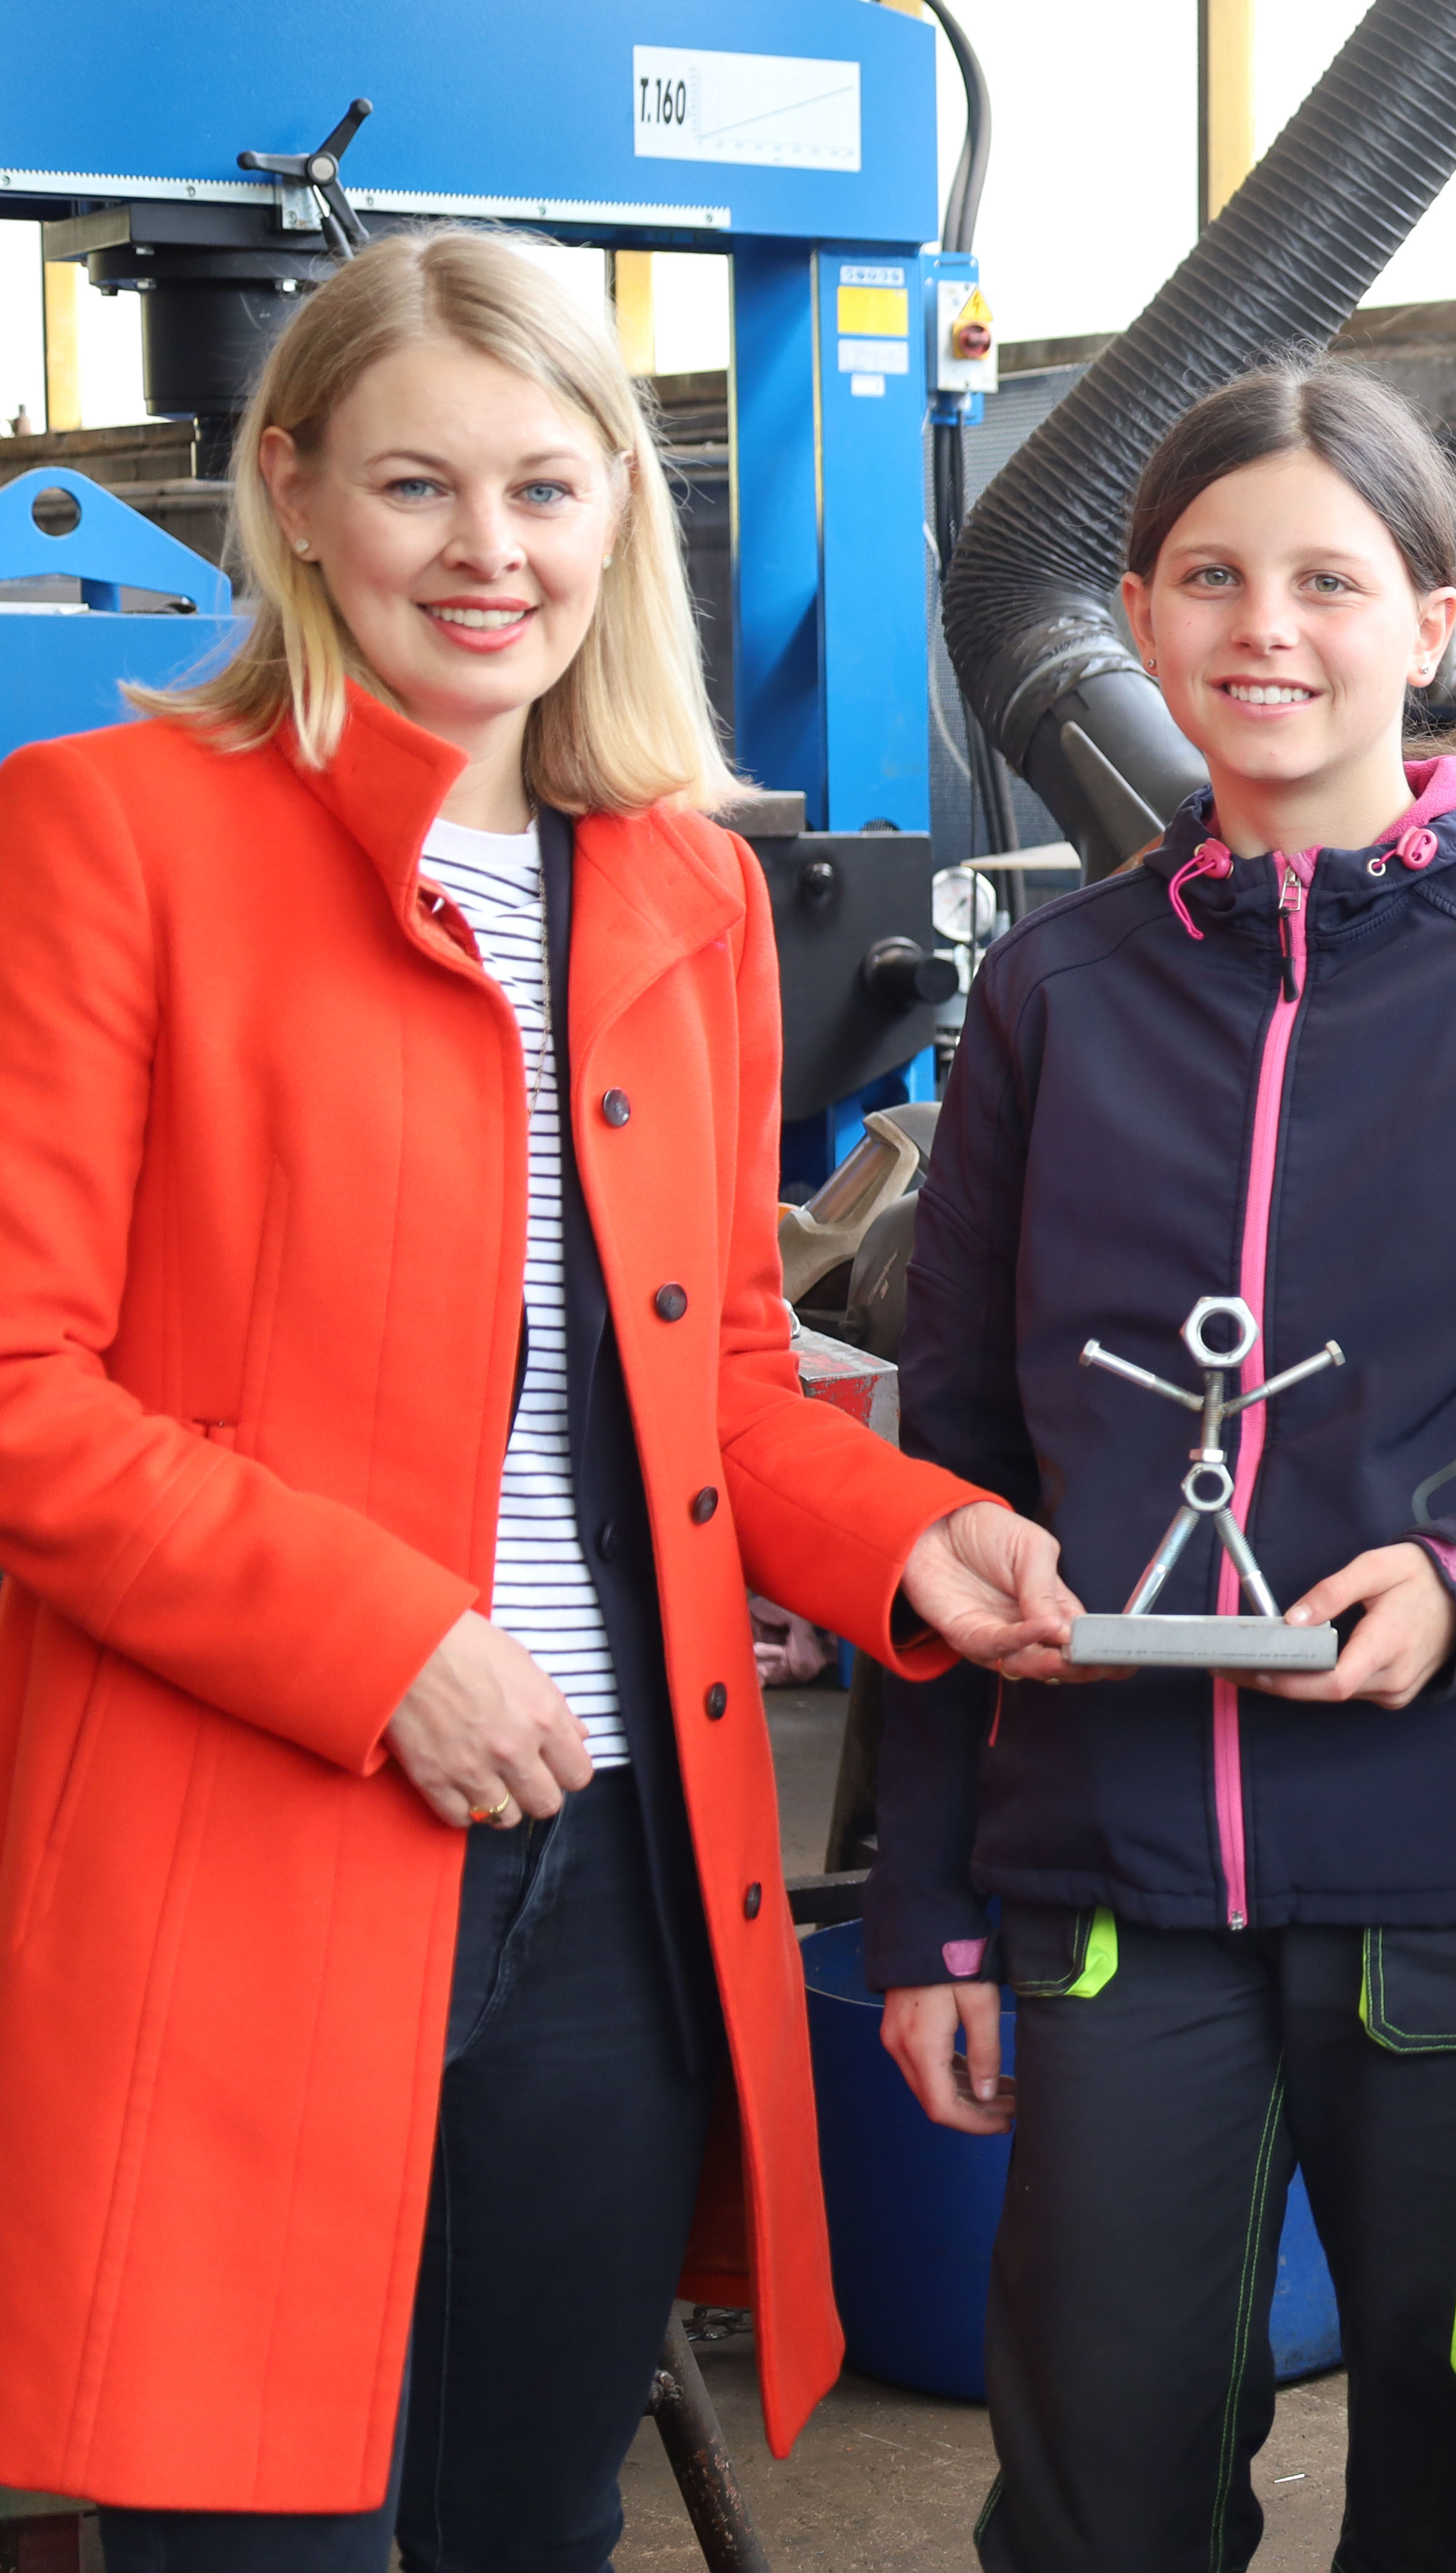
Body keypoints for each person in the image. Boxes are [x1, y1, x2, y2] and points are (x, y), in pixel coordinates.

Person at [0, 230, 1078, 2567]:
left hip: (612, 1871)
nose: (489, 555)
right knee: (254, 2530)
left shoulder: (674, 889)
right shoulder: (114, 843)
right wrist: (378, 1643)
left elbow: (721, 1387)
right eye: (414, 486)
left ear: (622, 505)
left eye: (545, 486)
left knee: (532, 2513)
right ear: (290, 495)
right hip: (251, 1841)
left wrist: (907, 1533)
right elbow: (22, 1390)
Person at [868, 363, 1456, 2573]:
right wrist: (926, 1907)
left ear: (1435, 622)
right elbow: (951, 1475)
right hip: (1112, 1888)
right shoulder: (1056, 1001)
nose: (1265, 626)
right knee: (1096, 2504)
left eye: (1326, 579)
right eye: (1211, 577)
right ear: (1137, 614)